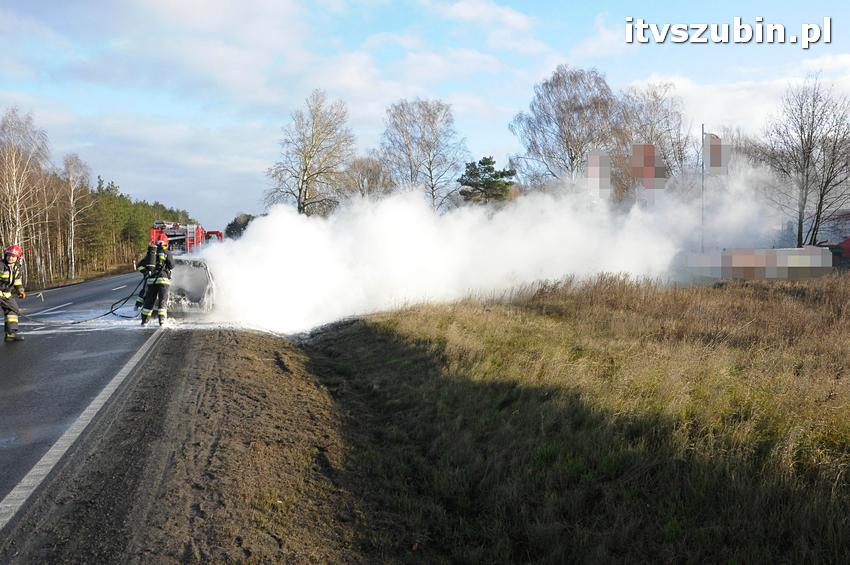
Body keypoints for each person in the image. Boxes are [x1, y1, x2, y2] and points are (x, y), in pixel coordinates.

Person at [140, 235, 174, 326]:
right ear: (166, 243)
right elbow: (172, 266)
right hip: (163, 280)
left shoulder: (151, 253)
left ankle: (144, 321)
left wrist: (146, 273)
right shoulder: (167, 252)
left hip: (152, 281)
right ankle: (162, 321)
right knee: (162, 301)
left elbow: (140, 266)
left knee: (149, 301)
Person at [1, 244, 26, 342]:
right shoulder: (1, 266)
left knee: (13, 310)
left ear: (17, 258)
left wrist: (20, 290)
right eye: (8, 255)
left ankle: (10, 334)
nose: (10, 258)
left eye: (13, 256)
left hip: (6, 294)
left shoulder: (17, 268)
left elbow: (17, 281)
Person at [134, 241, 157, 310]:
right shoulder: (149, 258)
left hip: (152, 278)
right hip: (150, 278)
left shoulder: (151, 257)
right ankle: (138, 306)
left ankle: (138, 306)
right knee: (145, 292)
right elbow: (139, 266)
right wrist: (146, 272)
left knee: (145, 291)